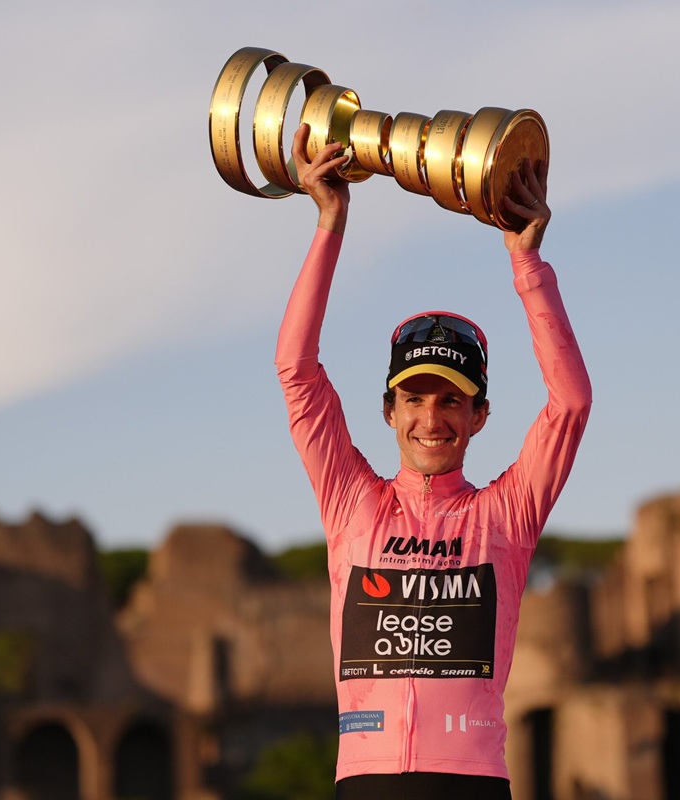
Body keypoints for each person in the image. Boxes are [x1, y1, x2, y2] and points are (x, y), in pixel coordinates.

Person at [275, 123, 592, 800]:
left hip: (471, 783)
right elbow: (296, 370)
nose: (432, 417)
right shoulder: (351, 501)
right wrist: (329, 223)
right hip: (364, 781)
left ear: (479, 417)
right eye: (415, 398)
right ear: (389, 411)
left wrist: (526, 265)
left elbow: (569, 404)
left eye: (453, 400)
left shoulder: (504, 515)